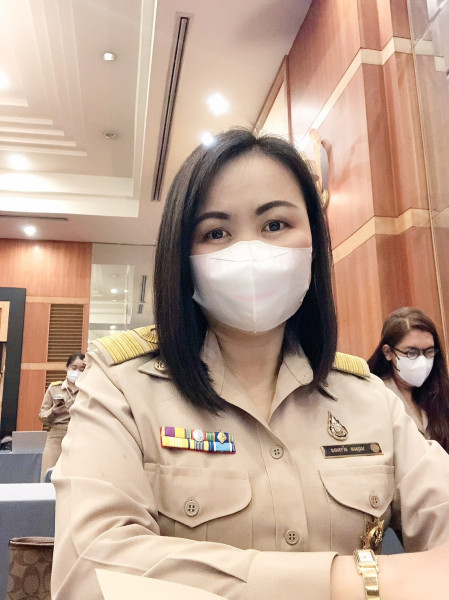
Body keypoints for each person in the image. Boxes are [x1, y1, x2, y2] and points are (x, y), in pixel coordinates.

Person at [52, 129, 449, 600]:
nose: (251, 252)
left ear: (314, 243)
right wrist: (350, 581)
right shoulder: (120, 387)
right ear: (183, 258)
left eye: (275, 224)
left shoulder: (367, 398)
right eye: (216, 232)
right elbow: (89, 574)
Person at [367, 307, 449, 452]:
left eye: (429, 351)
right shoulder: (375, 396)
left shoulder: (441, 393)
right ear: (388, 352)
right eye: (412, 353)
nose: (422, 361)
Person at [38, 352, 85, 479]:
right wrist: (52, 412)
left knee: (79, 475)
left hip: (81, 434)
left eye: (82, 369)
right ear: (67, 367)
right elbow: (42, 416)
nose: (77, 372)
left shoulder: (88, 390)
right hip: (56, 436)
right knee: (49, 473)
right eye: (74, 368)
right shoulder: (55, 388)